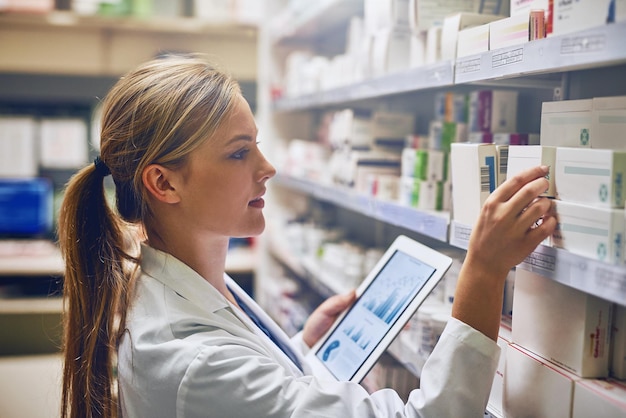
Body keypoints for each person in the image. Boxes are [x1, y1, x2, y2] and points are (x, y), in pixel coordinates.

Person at [57, 54, 556, 418]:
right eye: (238, 153)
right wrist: (485, 273)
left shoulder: (188, 289)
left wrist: (298, 348)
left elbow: (248, 386)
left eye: (257, 145)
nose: (267, 168)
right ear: (163, 182)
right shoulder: (193, 357)